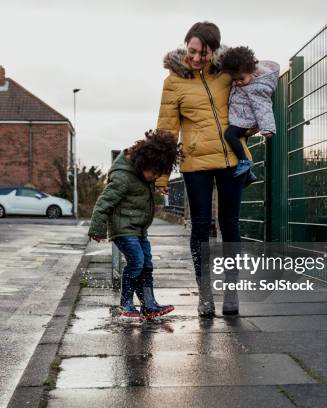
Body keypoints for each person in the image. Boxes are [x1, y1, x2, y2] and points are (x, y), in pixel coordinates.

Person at [157, 21, 256, 317]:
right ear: (186, 46)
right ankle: (204, 294)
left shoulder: (227, 71)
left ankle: (231, 291)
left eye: (205, 53)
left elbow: (250, 103)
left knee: (231, 225)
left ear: (215, 50)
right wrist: (162, 175)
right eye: (193, 51)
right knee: (200, 226)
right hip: (196, 163)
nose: (198, 58)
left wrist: (249, 129)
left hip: (231, 160)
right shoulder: (173, 81)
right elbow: (166, 130)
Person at [88, 130, 178, 319]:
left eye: (158, 173)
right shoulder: (123, 177)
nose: (155, 177)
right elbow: (103, 203)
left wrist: (160, 185)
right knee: (137, 262)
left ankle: (149, 304)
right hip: (123, 229)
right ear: (142, 162)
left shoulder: (143, 174)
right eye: (154, 173)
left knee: (147, 265)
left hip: (139, 229)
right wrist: (97, 229)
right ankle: (126, 304)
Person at [220, 46, 279, 177]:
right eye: (234, 79)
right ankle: (248, 174)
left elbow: (263, 107)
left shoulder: (257, 87)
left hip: (245, 120)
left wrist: (267, 128)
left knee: (229, 135)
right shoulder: (246, 80)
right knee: (242, 144)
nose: (238, 82)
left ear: (251, 71)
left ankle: (244, 162)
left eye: (241, 78)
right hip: (241, 117)